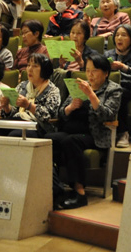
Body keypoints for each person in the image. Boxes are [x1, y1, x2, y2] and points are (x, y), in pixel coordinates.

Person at [46, 53, 122, 210]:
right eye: (87, 70)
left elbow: (107, 114)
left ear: (106, 73)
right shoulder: (80, 85)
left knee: (70, 142)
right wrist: (70, 107)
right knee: (48, 140)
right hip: (71, 130)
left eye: (94, 70)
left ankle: (79, 194)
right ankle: (55, 188)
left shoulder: (114, 89)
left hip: (94, 134)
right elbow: (60, 113)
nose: (90, 74)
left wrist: (91, 95)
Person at [0, 53, 61, 137]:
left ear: (44, 70)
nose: (30, 69)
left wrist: (29, 105)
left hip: (38, 127)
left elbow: (47, 117)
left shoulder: (52, 91)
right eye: (28, 65)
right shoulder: (22, 86)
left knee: (15, 135)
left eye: (35, 66)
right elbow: (12, 112)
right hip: (17, 122)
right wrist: (6, 106)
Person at [104, 25, 131, 148]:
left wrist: (124, 68)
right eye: (117, 35)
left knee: (119, 92)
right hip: (108, 87)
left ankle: (123, 132)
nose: (119, 38)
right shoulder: (107, 54)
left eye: (124, 35)